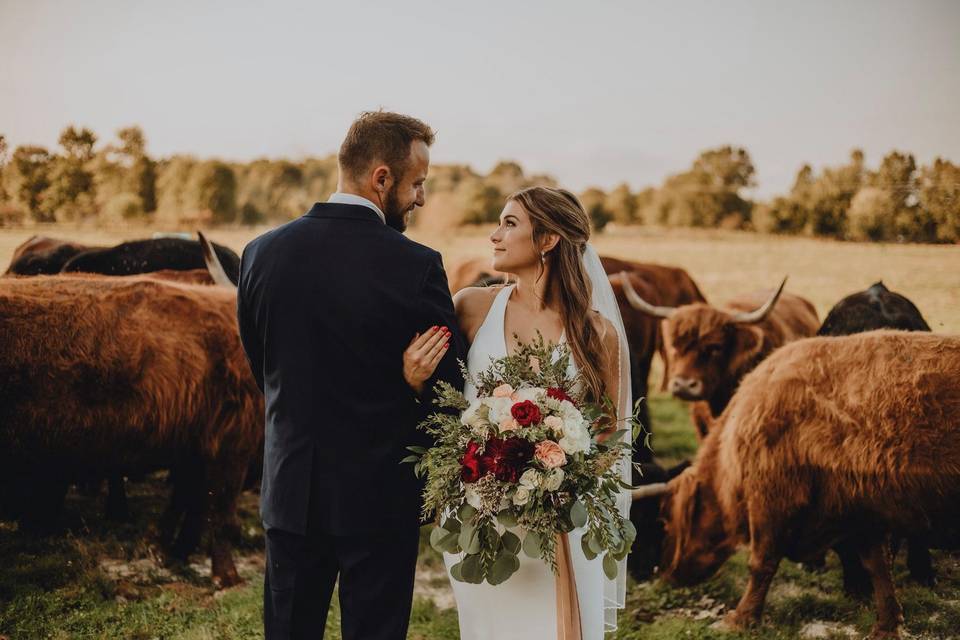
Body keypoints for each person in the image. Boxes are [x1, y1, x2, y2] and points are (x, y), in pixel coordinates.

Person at [237, 110, 466, 640]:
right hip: (379, 496)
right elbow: (448, 394)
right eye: (418, 184)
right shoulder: (417, 266)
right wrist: (405, 385)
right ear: (381, 178)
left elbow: (264, 370)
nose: (422, 199)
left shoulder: (260, 254)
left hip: (291, 489)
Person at [403, 186, 633, 639]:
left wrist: (562, 479)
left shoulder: (596, 332)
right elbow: (441, 398)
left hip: (559, 518)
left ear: (548, 240)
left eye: (510, 224)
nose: (494, 235)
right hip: (479, 514)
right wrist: (412, 378)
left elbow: (610, 432)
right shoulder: (472, 307)